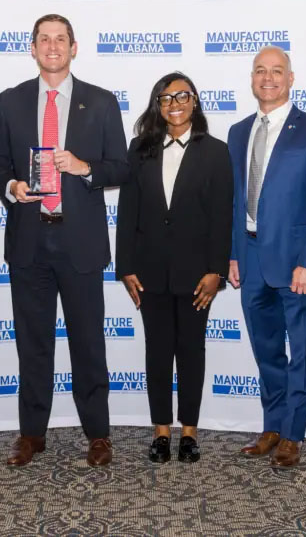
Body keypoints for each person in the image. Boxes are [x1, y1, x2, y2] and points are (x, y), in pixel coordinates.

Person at [0, 14, 129, 467]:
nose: (52, 46)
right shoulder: (10, 101)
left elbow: (120, 167)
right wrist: (13, 187)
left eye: (61, 39)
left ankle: (98, 434)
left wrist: (84, 167)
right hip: (29, 241)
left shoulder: (101, 102)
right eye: (44, 39)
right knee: (33, 344)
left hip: (80, 243)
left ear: (74, 47)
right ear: (32, 48)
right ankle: (32, 433)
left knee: (88, 342)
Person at [227, 46, 306, 468]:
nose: (268, 78)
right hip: (251, 256)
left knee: (303, 351)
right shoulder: (238, 131)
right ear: (251, 79)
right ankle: (272, 426)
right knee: (267, 349)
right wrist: (233, 255)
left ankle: (293, 433)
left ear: (291, 79)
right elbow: (234, 201)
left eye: (277, 71)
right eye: (260, 71)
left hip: (297, 263)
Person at [116, 72, 234, 464]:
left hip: (197, 274)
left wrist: (216, 270)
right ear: (158, 106)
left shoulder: (215, 151)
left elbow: (222, 216)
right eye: (166, 98)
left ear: (195, 101)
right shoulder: (139, 149)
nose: (175, 104)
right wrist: (125, 266)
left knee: (191, 350)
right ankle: (161, 431)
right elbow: (127, 211)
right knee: (157, 350)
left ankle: (189, 432)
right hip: (148, 270)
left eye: (182, 96)